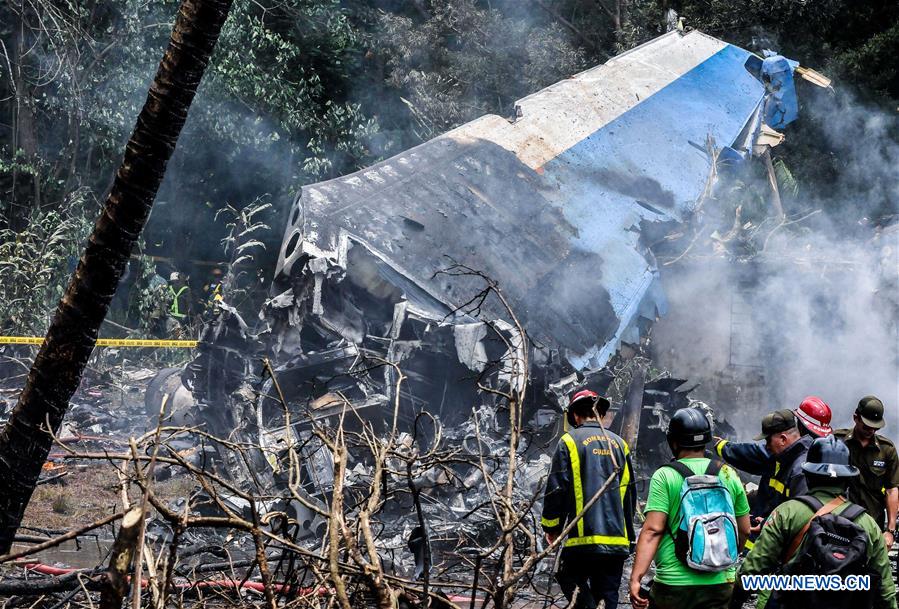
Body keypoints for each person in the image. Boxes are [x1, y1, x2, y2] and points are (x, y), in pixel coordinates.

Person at [734, 435, 898, 609]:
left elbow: (753, 568)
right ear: (848, 479)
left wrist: (734, 600)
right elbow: (885, 591)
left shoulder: (786, 513)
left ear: (808, 475)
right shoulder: (868, 524)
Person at [629, 407, 751, 609]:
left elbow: (652, 530)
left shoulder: (664, 476)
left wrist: (636, 578)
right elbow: (745, 529)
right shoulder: (728, 473)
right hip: (721, 584)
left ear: (673, 442)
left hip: (674, 586)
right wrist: (723, 557)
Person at [541, 390, 636, 609]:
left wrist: (551, 526)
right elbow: (629, 496)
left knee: (568, 577)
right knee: (608, 595)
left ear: (574, 416)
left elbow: (557, 488)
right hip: (616, 542)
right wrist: (629, 538)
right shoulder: (620, 444)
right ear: (601, 415)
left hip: (581, 541)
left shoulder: (569, 441)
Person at [713, 409, 813, 541]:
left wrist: (769, 523)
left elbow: (799, 519)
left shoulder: (800, 471)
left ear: (783, 439)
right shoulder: (780, 458)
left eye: (768, 441)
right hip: (765, 537)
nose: (766, 447)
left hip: (778, 546)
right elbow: (748, 455)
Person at [833, 395, 899, 548]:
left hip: (872, 524)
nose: (871, 431)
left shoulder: (886, 450)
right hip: (838, 522)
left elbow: (892, 490)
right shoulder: (837, 442)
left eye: (875, 428)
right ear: (856, 418)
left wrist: (890, 531)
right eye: (867, 426)